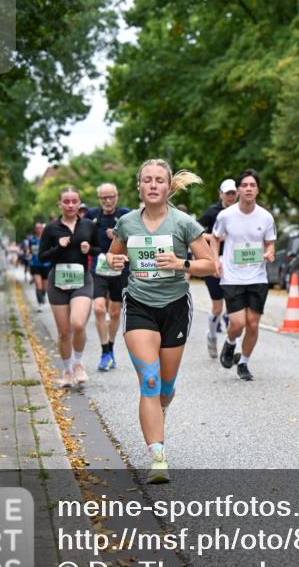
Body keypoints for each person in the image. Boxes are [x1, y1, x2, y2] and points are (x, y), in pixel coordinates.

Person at [106, 159, 215, 483]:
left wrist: (181, 263)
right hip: (139, 304)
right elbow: (113, 257)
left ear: (169, 187)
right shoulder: (126, 223)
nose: (153, 185)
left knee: (165, 388)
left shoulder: (184, 223)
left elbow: (209, 265)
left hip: (175, 307)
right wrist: (113, 260)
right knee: (149, 381)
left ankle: (161, 408)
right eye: (147, 180)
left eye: (159, 181)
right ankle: (158, 456)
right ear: (139, 186)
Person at [212, 169, 276, 382]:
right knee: (237, 323)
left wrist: (269, 252)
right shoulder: (226, 215)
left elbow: (270, 243)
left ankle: (244, 362)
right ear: (238, 190)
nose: (248, 188)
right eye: (245, 185)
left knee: (253, 324)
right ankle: (230, 344)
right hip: (232, 277)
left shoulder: (266, 217)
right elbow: (215, 238)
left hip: (258, 277)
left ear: (257, 190)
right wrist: (215, 261)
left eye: (253, 185)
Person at [38, 188, 101, 388]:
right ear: (60, 204)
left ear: (79, 203)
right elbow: (41, 256)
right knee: (64, 332)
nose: (71, 205)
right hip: (58, 282)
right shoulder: (51, 229)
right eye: (66, 201)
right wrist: (59, 247)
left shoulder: (89, 226)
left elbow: (101, 249)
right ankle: (66, 370)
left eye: (74, 201)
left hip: (82, 280)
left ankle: (78, 363)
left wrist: (89, 249)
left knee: (78, 324)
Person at [85, 183, 131, 372]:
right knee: (98, 309)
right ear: (99, 199)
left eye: (110, 196)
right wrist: (91, 249)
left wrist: (119, 236)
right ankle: (104, 351)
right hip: (100, 269)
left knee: (114, 313)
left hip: (120, 268)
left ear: (117, 196)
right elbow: (86, 240)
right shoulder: (92, 216)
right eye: (103, 197)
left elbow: (135, 240)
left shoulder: (126, 215)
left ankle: (110, 348)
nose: (107, 201)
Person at [197, 178, 238, 358]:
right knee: (217, 308)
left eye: (233, 193)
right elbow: (195, 233)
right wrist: (215, 238)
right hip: (214, 262)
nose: (230, 197)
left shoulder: (241, 212)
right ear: (221, 194)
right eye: (227, 193)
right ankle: (212, 336)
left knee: (234, 308)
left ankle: (231, 345)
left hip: (234, 264)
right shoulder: (212, 212)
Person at [26, 222, 51, 312]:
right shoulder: (31, 240)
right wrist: (28, 253)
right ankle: (40, 303)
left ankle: (42, 297)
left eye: (40, 228)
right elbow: (29, 250)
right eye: (37, 228)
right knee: (38, 284)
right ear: (35, 229)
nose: (39, 229)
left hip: (46, 265)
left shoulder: (47, 239)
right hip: (35, 264)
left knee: (45, 287)